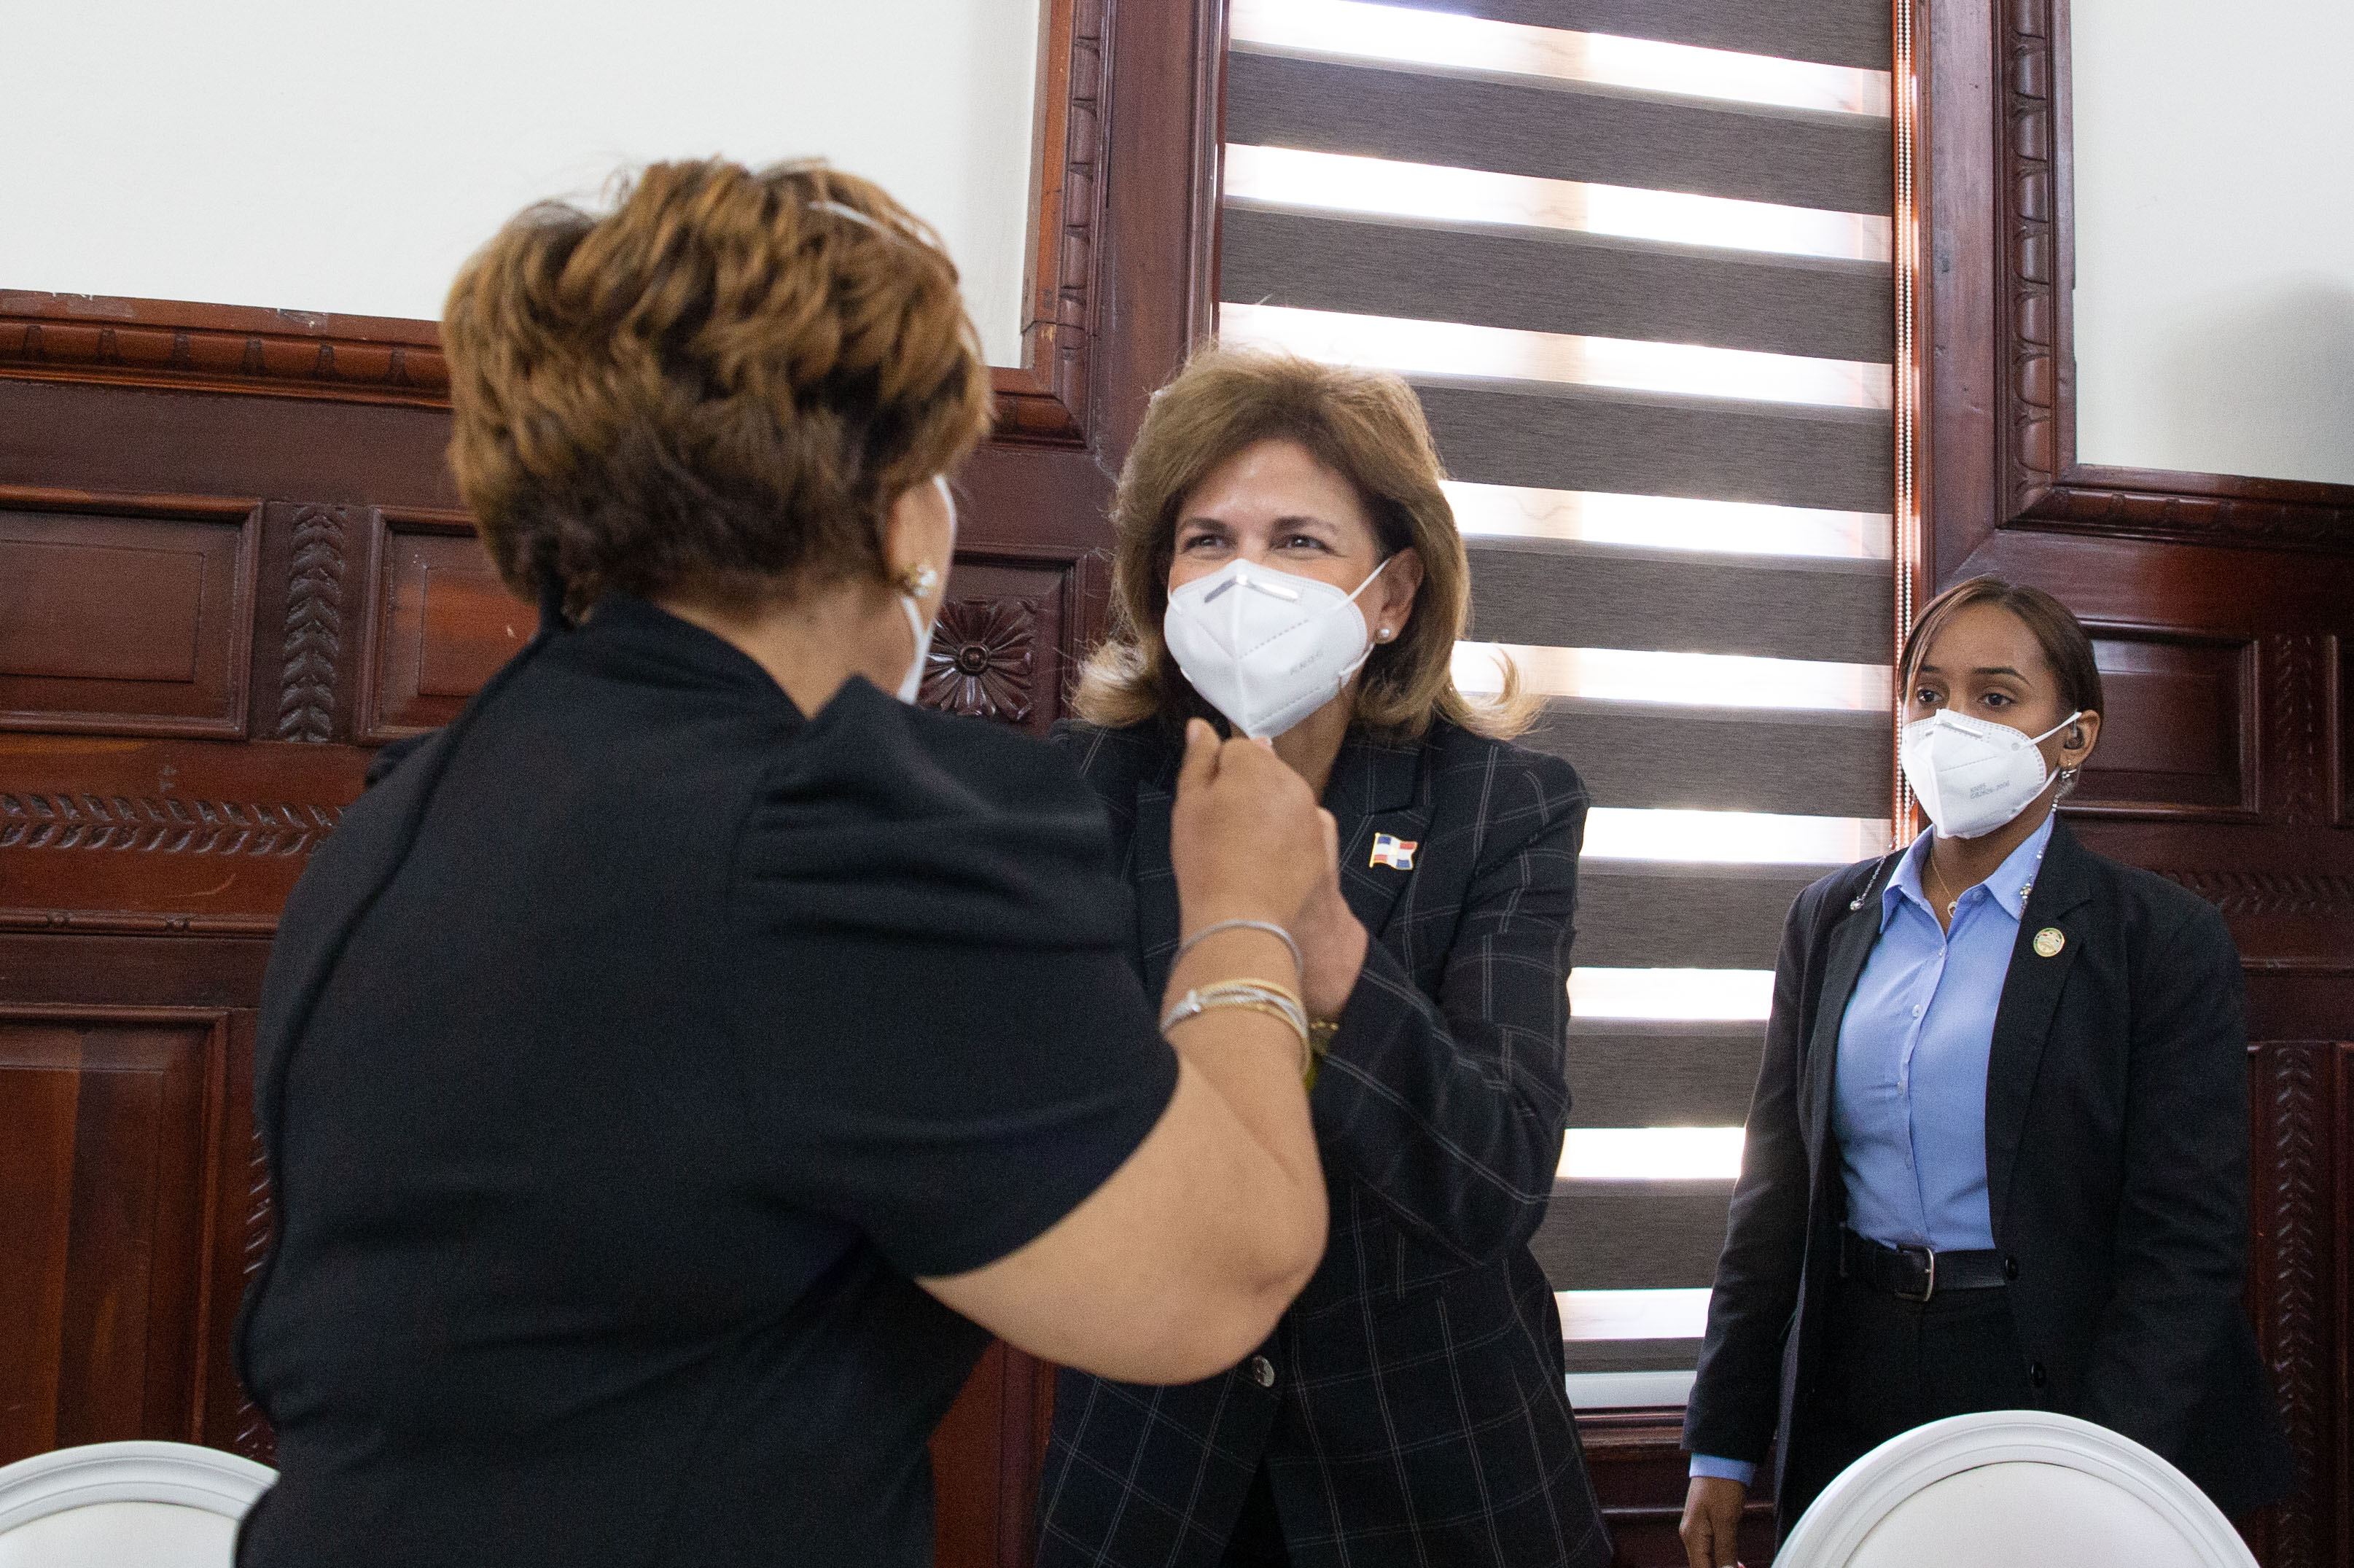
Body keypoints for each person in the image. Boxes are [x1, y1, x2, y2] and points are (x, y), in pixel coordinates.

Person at [233, 161, 1342, 1568]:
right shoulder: (832, 833)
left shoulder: (413, 810)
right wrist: (1243, 915)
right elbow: (1210, 1278)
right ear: (895, 515)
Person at [1034, 348, 1610, 1568]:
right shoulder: (1072, 796)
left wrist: (1323, 939)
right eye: (1207, 540)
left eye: (1298, 541)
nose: (1245, 578)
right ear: (1158, 578)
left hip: (1438, 1470)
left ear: (1391, 595)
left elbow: (1496, 1177)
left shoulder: (1503, 806)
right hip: (1150, 1468)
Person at [1677, 577, 2295, 1567]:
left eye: (1995, 697)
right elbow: (1775, 1195)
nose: (1950, 723)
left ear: (2075, 737)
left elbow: (2186, 1243)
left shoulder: (2158, 937)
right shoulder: (1831, 918)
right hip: (1860, 1372)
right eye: (1929, 694)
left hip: (2061, 1374)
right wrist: (1722, 1442)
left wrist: (2101, 1466)